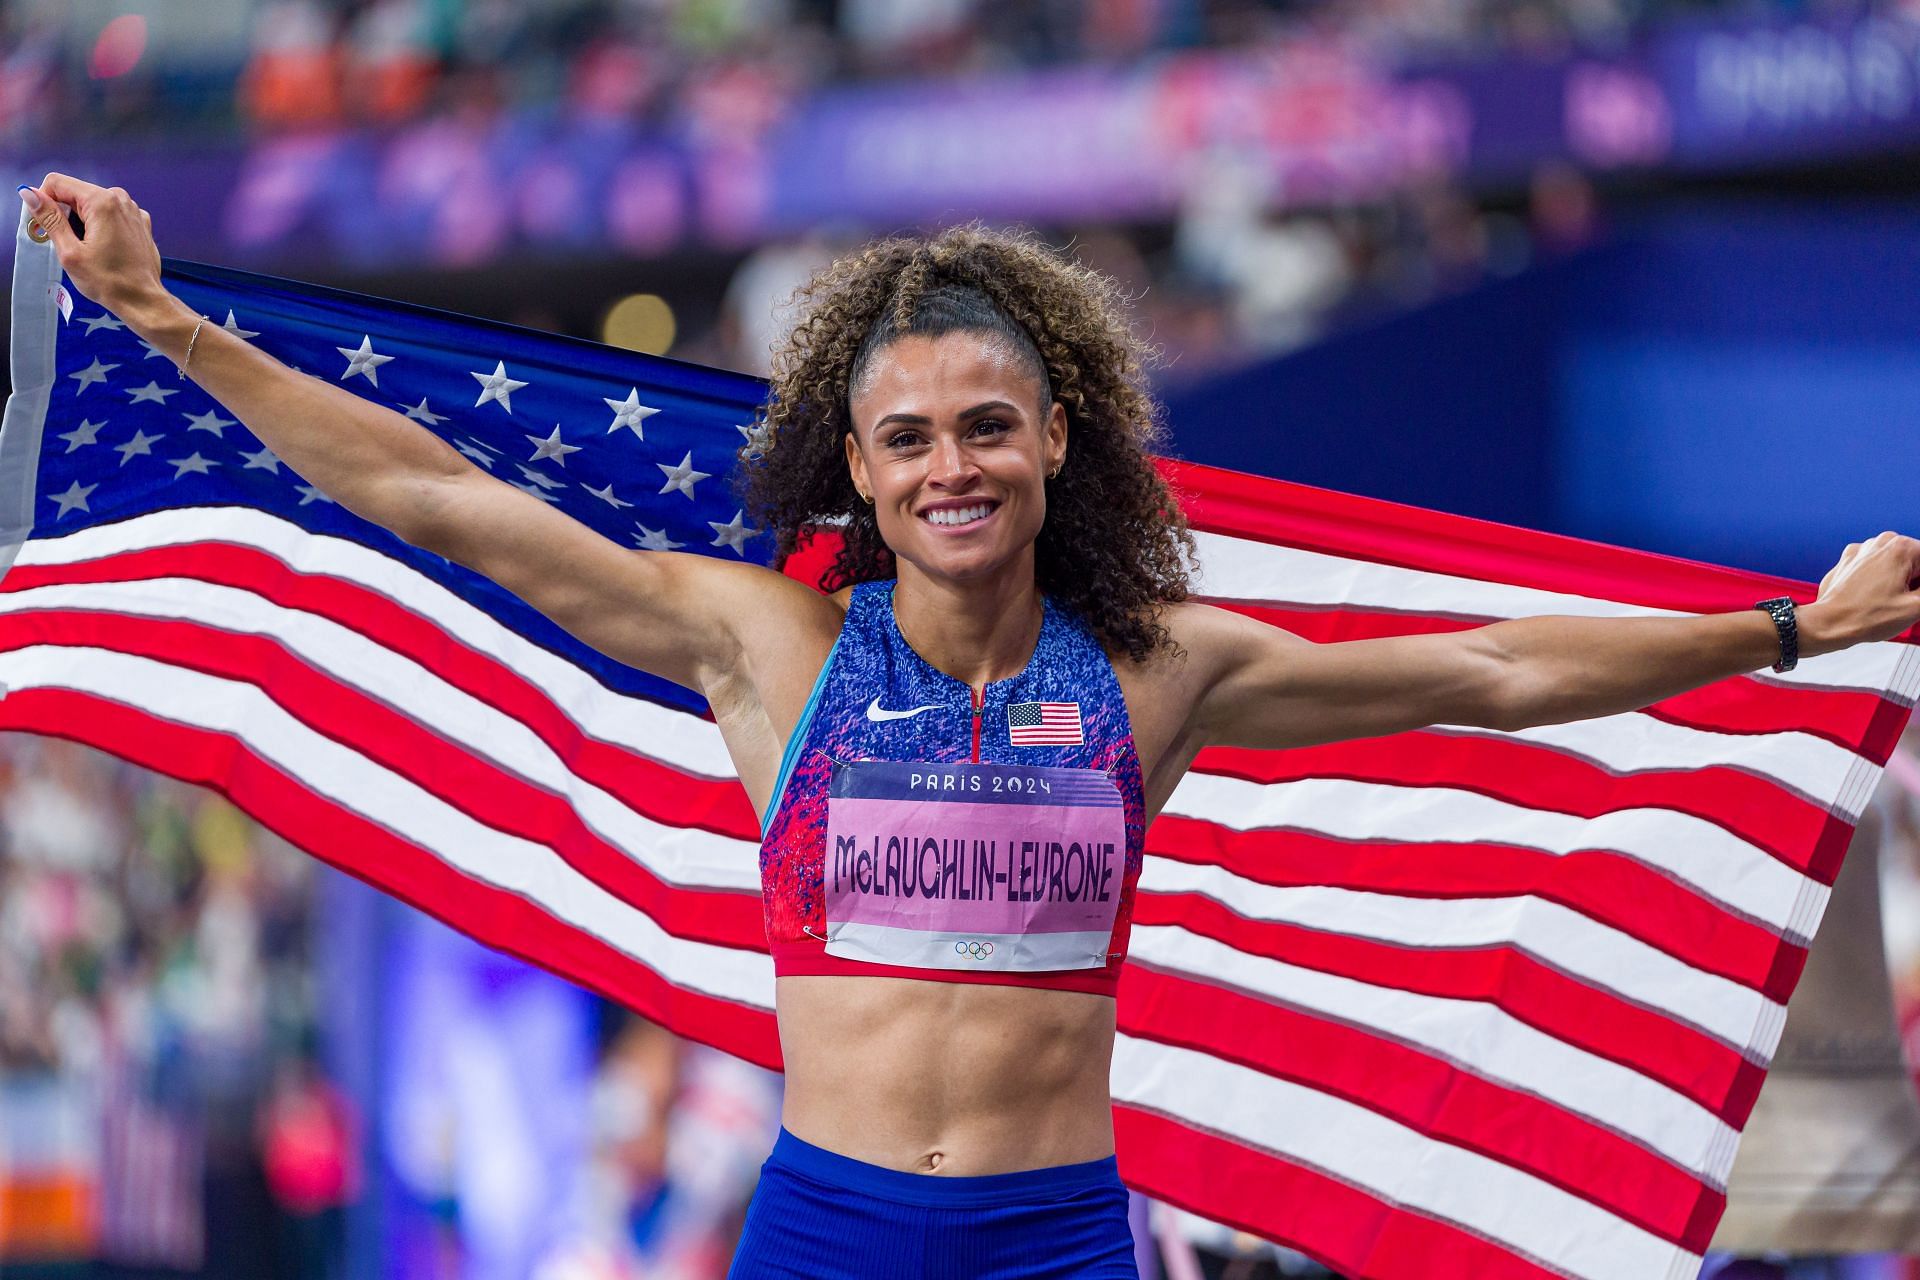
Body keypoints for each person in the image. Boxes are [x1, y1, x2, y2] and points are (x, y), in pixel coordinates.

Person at [23, 173, 1920, 1280]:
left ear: (1058, 440)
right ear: (853, 462)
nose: (953, 466)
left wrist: (1779, 629)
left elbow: (1496, 675)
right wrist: (173, 326)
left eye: (989, 426)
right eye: (911, 435)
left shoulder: (1166, 669)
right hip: (826, 1232)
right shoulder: (761, 646)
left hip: (1063, 1241)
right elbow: (433, 494)